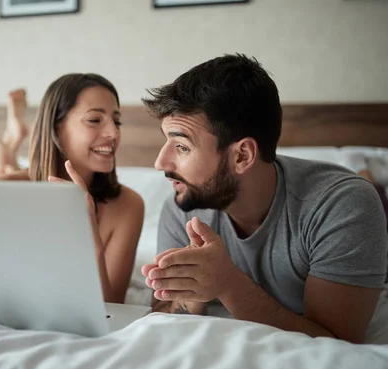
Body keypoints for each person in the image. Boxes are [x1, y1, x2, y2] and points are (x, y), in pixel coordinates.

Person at [140, 54, 388, 343]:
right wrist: (194, 292)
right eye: (166, 141)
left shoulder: (343, 206)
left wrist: (228, 283)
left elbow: (336, 345)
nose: (160, 162)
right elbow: (165, 313)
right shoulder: (183, 204)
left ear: (242, 155)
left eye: (182, 147)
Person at [0, 74, 145, 304]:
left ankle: (7, 144)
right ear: (56, 128)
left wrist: (87, 232)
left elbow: (111, 308)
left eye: (116, 121)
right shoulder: (9, 189)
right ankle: (1, 148)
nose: (114, 133)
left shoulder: (128, 205)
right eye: (95, 120)